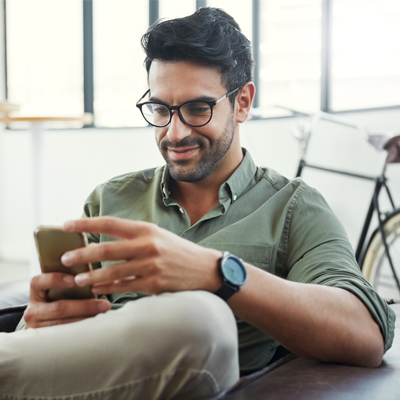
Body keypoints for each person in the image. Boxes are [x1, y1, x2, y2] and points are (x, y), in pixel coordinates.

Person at [0, 7, 395, 400]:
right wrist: (37, 323)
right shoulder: (110, 199)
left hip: (199, 377)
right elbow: (40, 351)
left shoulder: (292, 207)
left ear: (242, 102)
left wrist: (218, 273)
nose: (174, 132)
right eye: (160, 109)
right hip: (99, 385)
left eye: (197, 108)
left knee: (202, 316)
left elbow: (364, 334)